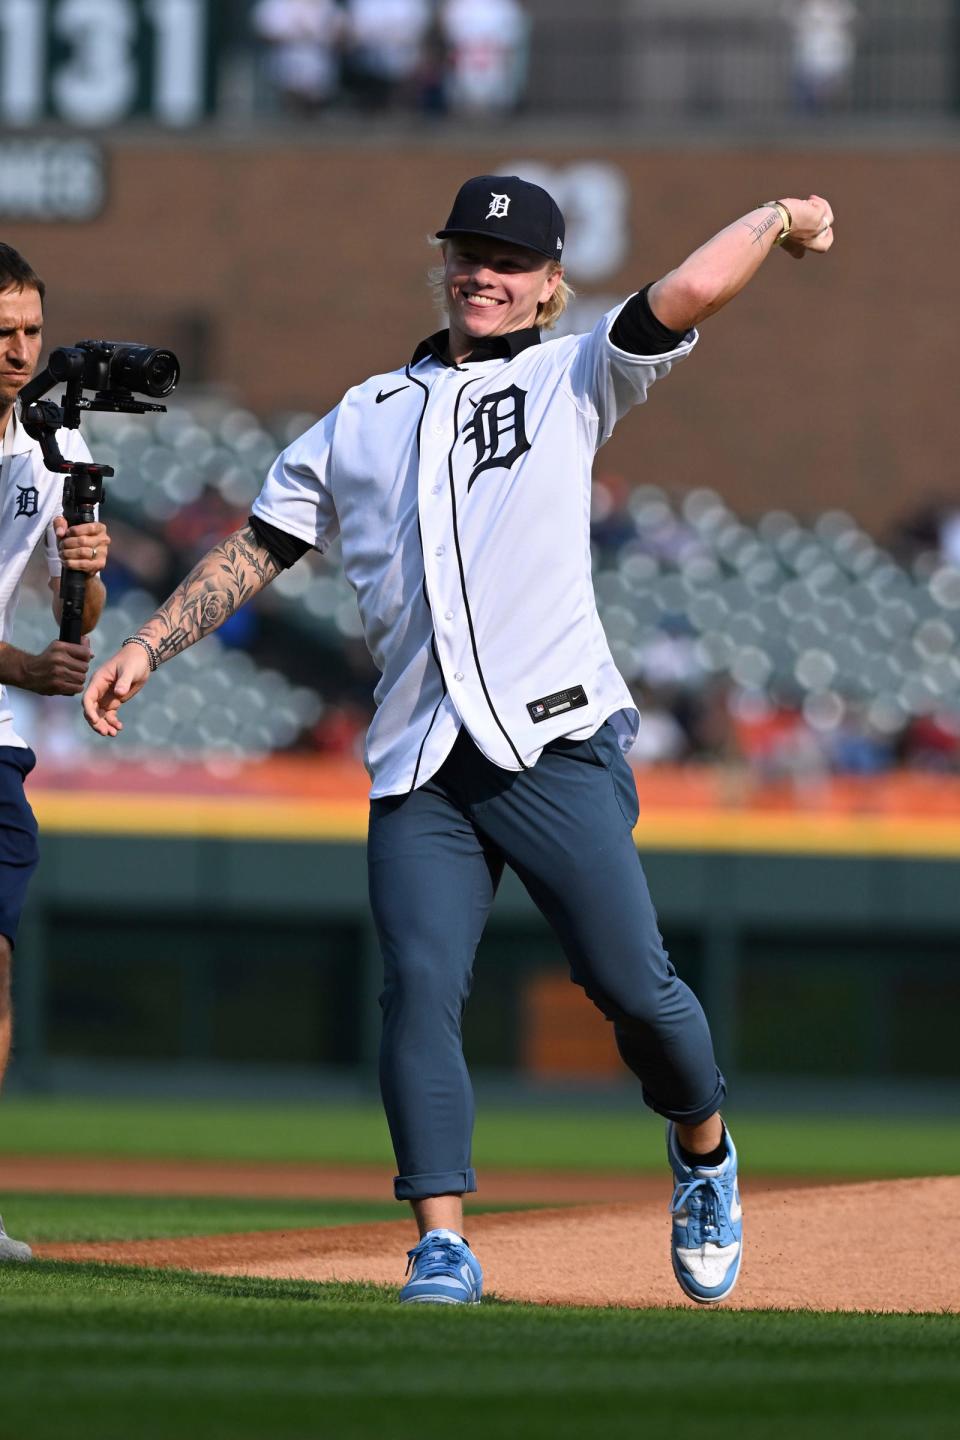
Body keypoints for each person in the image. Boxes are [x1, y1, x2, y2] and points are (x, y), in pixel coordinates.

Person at [83, 176, 834, 1305]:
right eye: (469, 252)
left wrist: (779, 219)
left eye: (510, 259)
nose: (485, 272)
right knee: (419, 985)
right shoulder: (364, 413)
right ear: (445, 265)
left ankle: (703, 1148)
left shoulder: (572, 373)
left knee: (632, 982)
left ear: (547, 284)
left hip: (553, 742)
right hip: (422, 757)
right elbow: (261, 545)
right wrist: (152, 641)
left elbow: (684, 292)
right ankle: (440, 1238)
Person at [0, 243, 111, 1261]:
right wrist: (24, 670)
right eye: (4, 333)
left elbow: (73, 613)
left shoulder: (51, 438)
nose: (23, 351)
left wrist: (86, 571)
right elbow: (38, 659)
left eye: (32, 330)